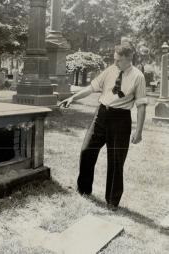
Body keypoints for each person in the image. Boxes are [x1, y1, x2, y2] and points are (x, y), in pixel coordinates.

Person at [59, 43, 148, 210]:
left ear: (129, 59)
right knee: (87, 151)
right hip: (101, 115)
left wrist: (139, 131)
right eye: (114, 59)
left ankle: (112, 202)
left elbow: (142, 106)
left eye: (119, 61)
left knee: (116, 161)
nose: (115, 64)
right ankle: (84, 190)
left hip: (120, 120)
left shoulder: (138, 77)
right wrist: (73, 98)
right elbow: (92, 87)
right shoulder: (110, 70)